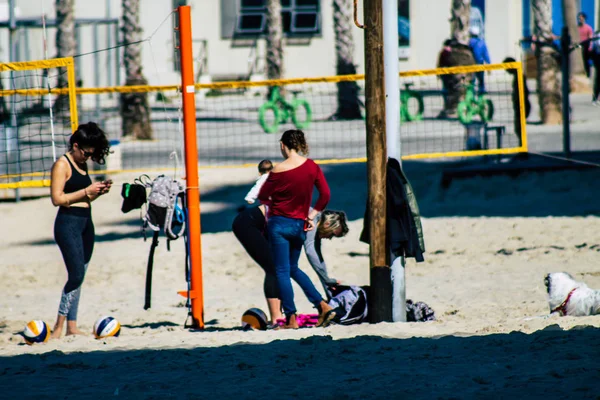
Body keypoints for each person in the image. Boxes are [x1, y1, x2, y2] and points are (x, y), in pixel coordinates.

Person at [257, 129, 334, 329]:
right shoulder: (312, 167)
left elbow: (263, 195)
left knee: (282, 271)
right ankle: (322, 305)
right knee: (293, 268)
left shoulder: (277, 171)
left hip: (279, 224)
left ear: (283, 145)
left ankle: (291, 318)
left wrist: (274, 201)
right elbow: (325, 195)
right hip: (300, 224)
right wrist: (311, 215)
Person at [232, 205, 349, 323]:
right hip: (248, 223)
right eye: (332, 234)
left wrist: (328, 286)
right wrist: (326, 280)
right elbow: (311, 253)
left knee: (287, 267)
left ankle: (320, 307)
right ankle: (277, 319)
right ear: (327, 224)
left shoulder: (316, 221)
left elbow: (318, 259)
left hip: (266, 226)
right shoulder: (312, 219)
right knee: (274, 268)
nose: (330, 238)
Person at [49, 122, 111, 338]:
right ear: (75, 145)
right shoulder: (62, 165)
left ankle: (72, 327)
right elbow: (57, 199)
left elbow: (85, 196)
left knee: (80, 275)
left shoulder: (82, 162)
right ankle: (58, 327)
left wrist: (98, 192)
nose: (87, 157)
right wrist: (87, 189)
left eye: (91, 154)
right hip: (68, 223)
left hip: (86, 221)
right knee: (75, 275)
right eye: (85, 152)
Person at [503, 57, 532, 145]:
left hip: (522, 105)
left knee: (519, 129)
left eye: (506, 67)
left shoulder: (519, 76)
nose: (505, 70)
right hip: (519, 105)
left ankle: (523, 150)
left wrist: (519, 103)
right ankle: (522, 149)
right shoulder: (517, 75)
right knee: (518, 129)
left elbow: (524, 92)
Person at [469, 25, 491, 94]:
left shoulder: (468, 42)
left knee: (471, 82)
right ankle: (481, 97)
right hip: (480, 64)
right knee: (481, 81)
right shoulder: (482, 43)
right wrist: (489, 66)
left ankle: (470, 96)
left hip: (470, 65)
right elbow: (486, 55)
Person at [577, 12, 594, 78]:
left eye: (581, 18)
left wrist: (590, 47)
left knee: (585, 61)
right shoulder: (576, 28)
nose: (580, 19)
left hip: (585, 47)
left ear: (584, 19)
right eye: (579, 18)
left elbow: (590, 39)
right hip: (578, 46)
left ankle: (587, 74)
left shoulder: (588, 28)